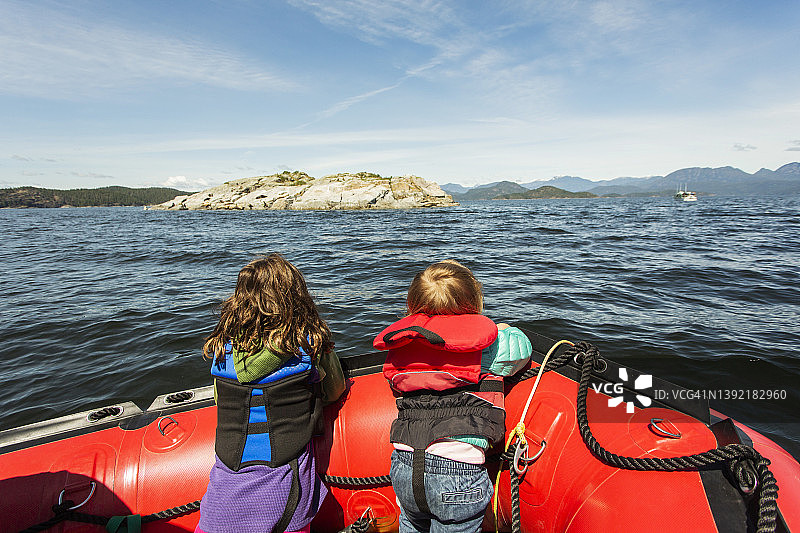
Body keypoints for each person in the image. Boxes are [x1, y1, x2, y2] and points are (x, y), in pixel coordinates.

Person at [373, 260, 532, 533]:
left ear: (412, 307)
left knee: (410, 524)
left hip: (404, 468)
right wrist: (503, 328)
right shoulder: (489, 348)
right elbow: (521, 349)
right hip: (457, 476)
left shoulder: (401, 350)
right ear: (474, 303)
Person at [196, 254, 346, 533]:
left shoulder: (220, 350)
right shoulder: (307, 344)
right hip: (285, 497)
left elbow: (220, 400)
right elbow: (335, 390)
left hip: (221, 502)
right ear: (296, 298)